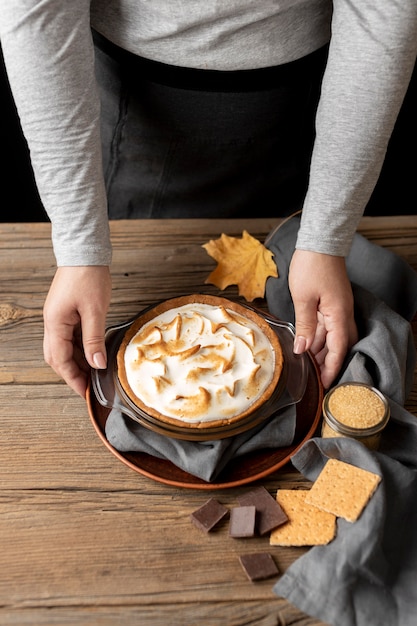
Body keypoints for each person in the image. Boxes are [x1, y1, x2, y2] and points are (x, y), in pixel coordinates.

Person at [1, 2, 416, 399]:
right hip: (134, 104)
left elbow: (383, 11)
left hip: (319, 99)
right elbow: (39, 12)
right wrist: (79, 250)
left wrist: (325, 238)